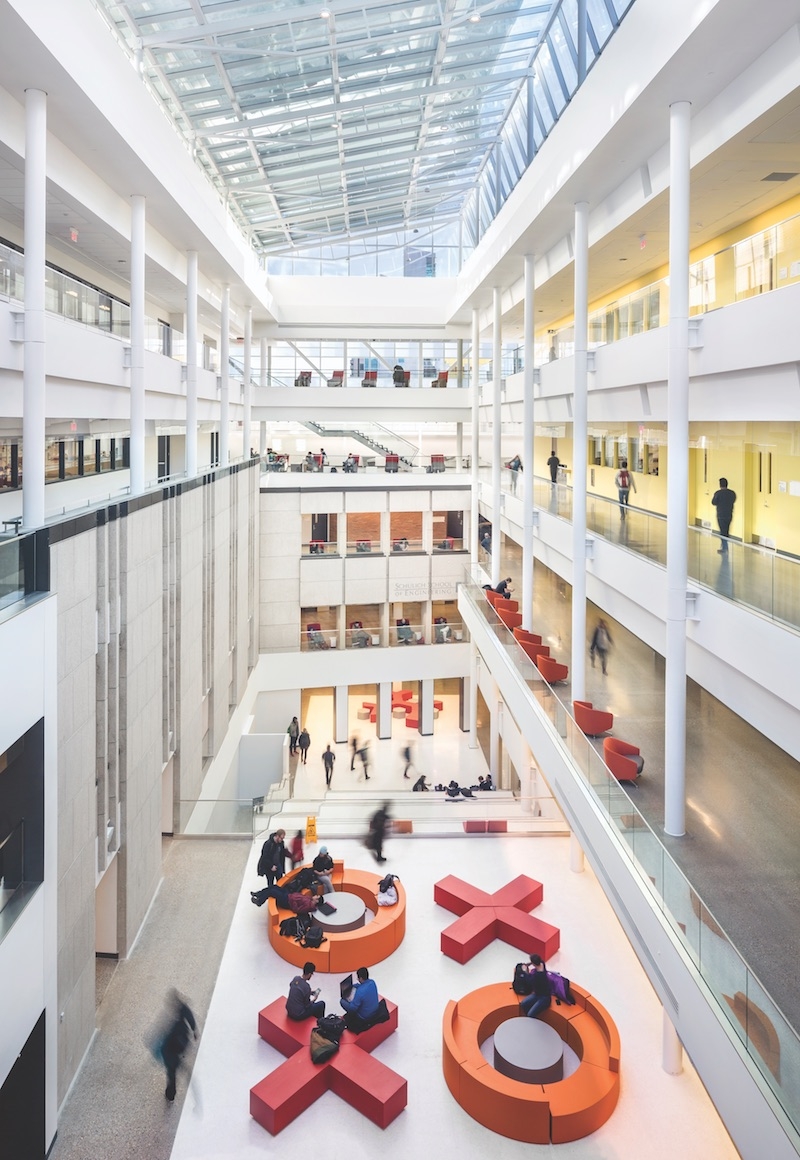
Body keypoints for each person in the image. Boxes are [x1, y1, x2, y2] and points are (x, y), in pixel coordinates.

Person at [157, 989, 197, 1102]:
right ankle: (170, 1093)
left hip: (172, 1052)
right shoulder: (182, 1008)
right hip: (180, 1045)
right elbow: (190, 1017)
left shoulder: (171, 1023)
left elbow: (164, 1045)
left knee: (171, 1074)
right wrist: (194, 1030)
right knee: (172, 1072)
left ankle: (170, 1094)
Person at [340, 966, 380, 1032]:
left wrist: (351, 1001)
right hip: (374, 1010)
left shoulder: (360, 992)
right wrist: (353, 986)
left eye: (358, 978)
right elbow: (362, 986)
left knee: (342, 1001)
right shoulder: (372, 982)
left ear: (360, 978)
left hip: (364, 1017)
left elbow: (352, 1009)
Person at [520, 954, 552, 1019]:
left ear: (534, 964)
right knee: (523, 1004)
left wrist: (525, 971)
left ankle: (532, 1020)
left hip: (544, 998)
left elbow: (529, 981)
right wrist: (529, 964)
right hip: (538, 993)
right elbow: (536, 963)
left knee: (530, 1014)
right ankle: (529, 1018)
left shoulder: (538, 976)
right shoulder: (542, 963)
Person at [711, 477, 737, 552]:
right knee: (726, 530)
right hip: (729, 514)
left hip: (720, 515)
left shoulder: (718, 493)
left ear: (720, 485)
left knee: (722, 531)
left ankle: (724, 547)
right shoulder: (732, 493)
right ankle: (725, 546)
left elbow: (713, 502)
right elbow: (734, 500)